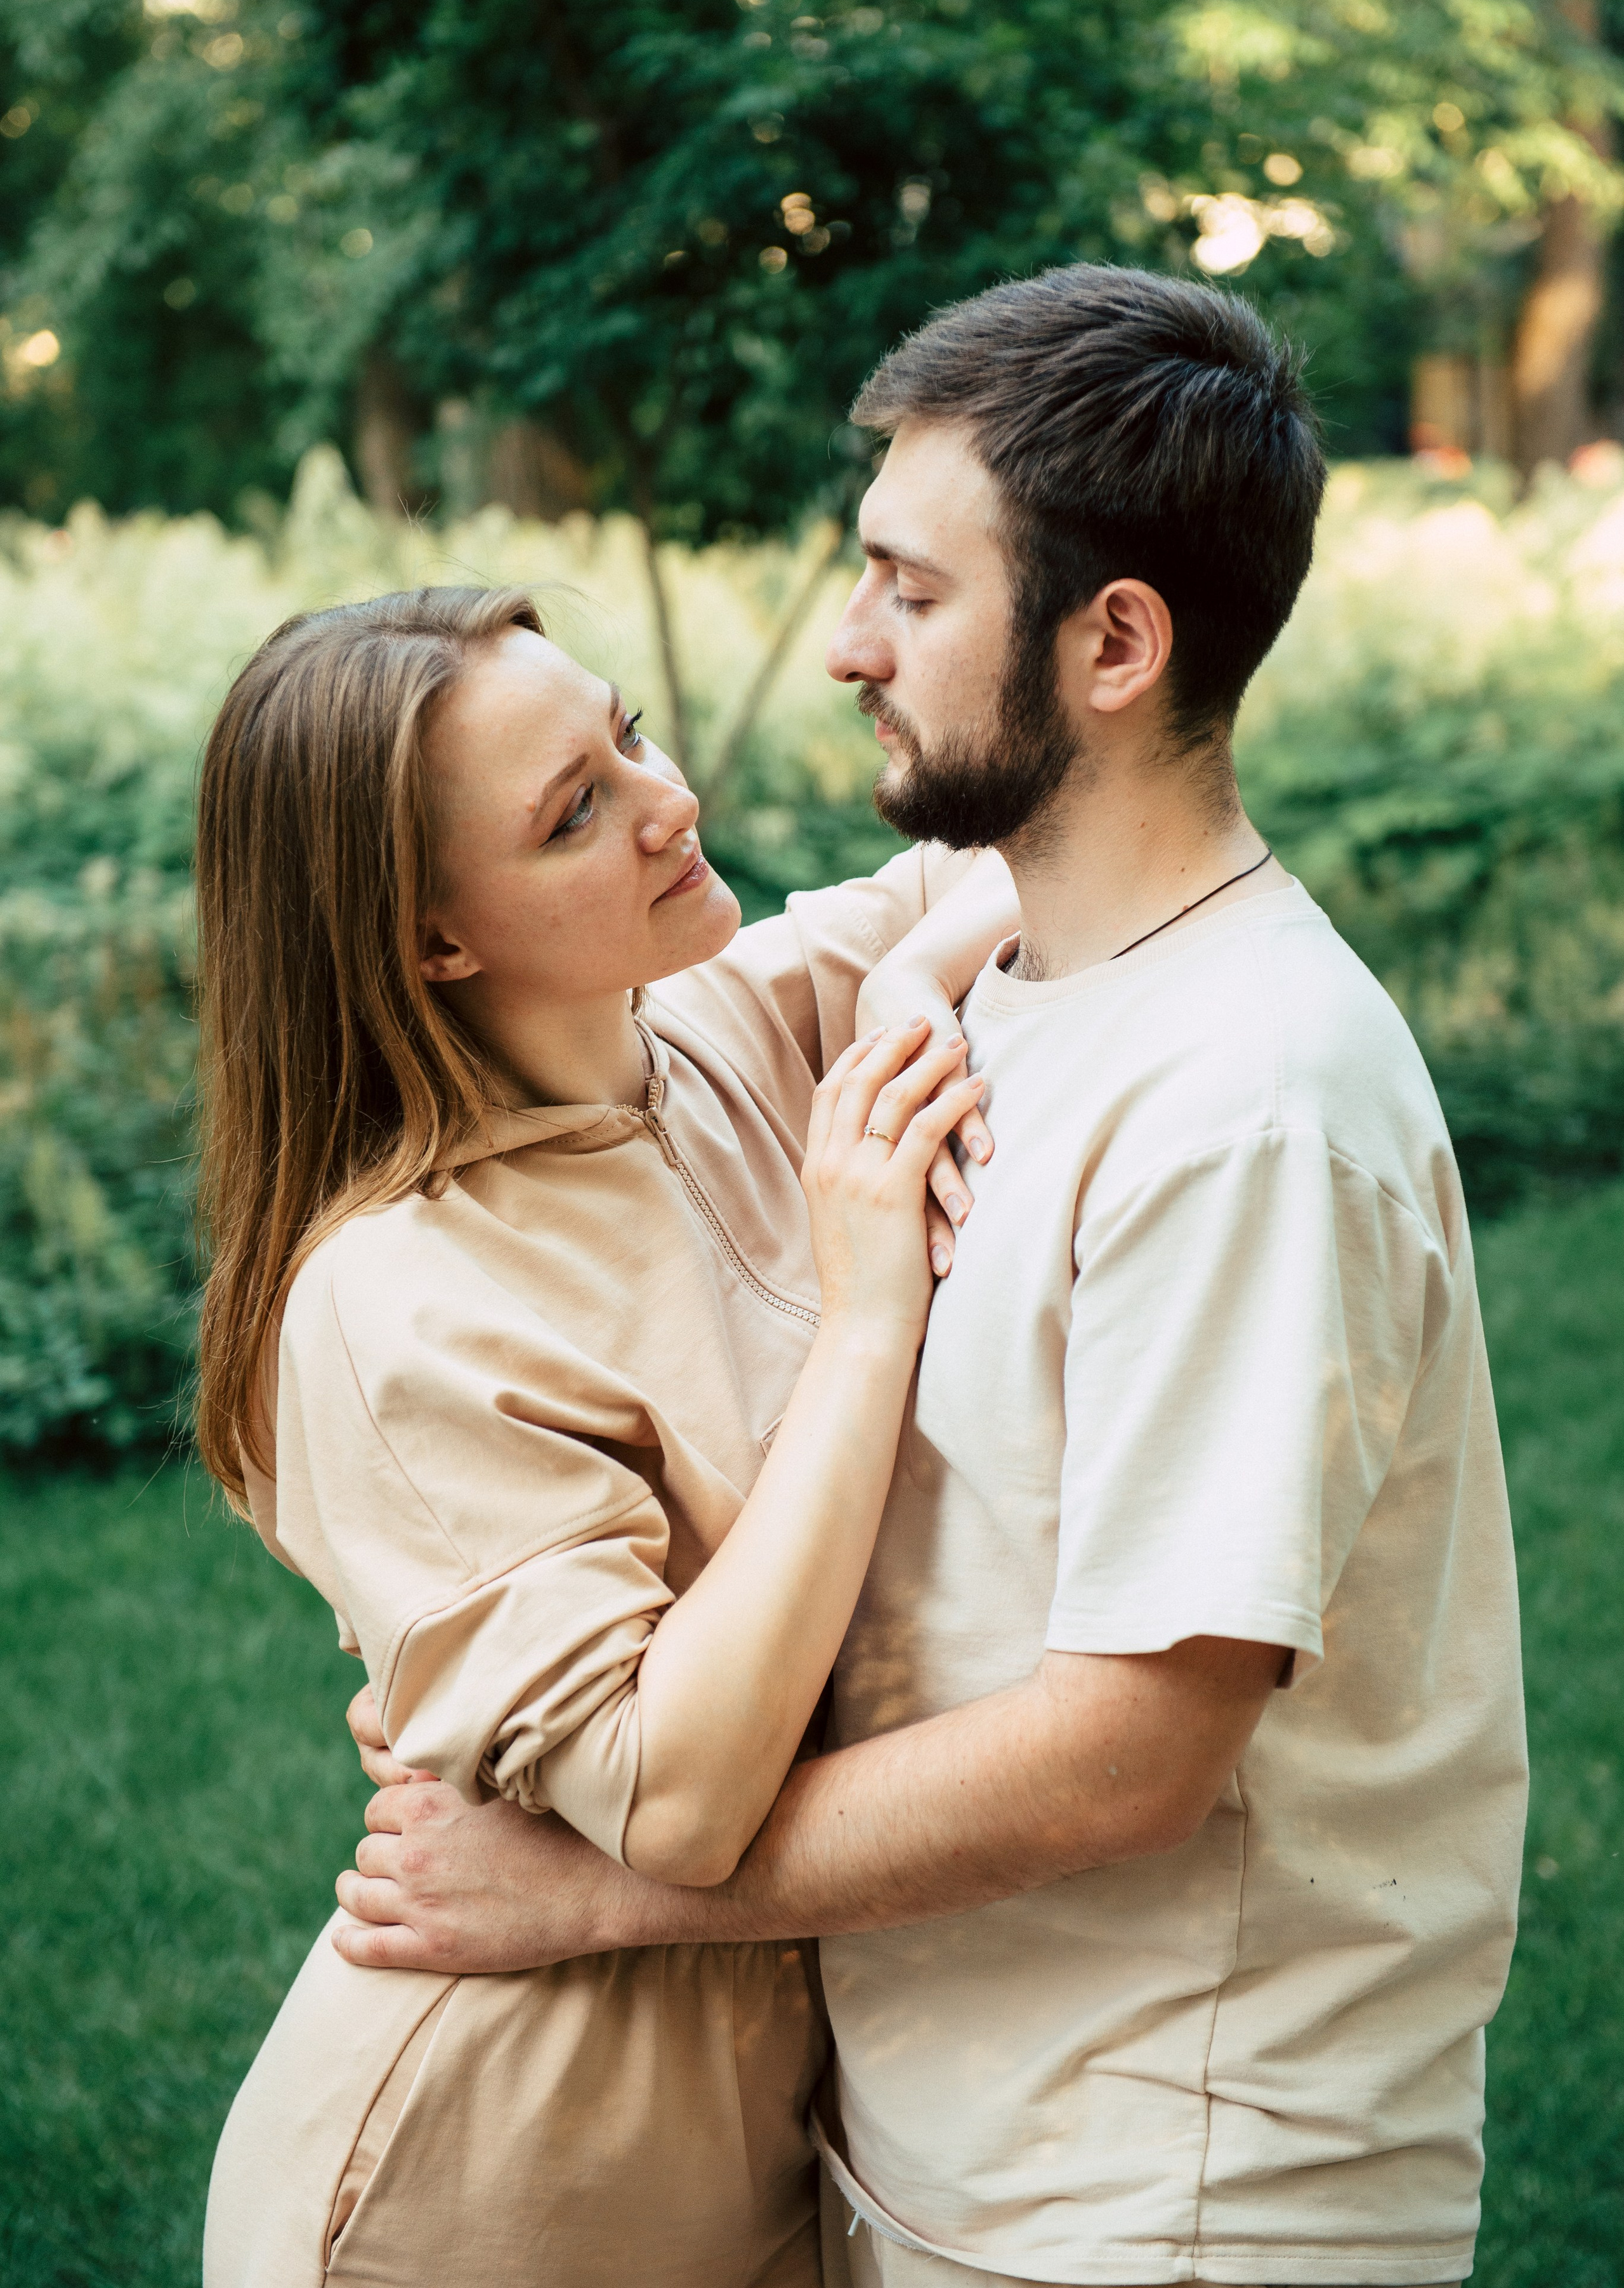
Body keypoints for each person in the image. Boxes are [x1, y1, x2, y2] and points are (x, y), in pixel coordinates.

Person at [334, 266, 1528, 2288]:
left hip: (1181, 2195)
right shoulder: (1031, 978)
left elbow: (1128, 1749)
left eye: (908, 588)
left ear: (1116, 643)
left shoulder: (1246, 1106)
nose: (847, 648)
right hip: (968, 2160)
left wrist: (598, 1890)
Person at [192, 580, 1021, 2288]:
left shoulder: (701, 1026)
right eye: (576, 812)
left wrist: (928, 982)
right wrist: (873, 1309)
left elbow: (1037, 851)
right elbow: (687, 1792)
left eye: (626, 733)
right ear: (433, 938)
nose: (671, 801)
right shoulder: (392, 1301)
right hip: (481, 2185)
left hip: (754, 2146)